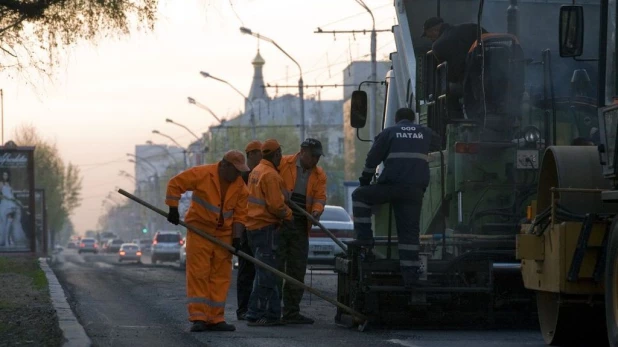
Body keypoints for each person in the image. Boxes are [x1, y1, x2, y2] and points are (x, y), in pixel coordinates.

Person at [349, 108, 441, 288]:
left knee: (359, 195)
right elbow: (440, 144)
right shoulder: (425, 132)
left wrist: (365, 181)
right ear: (414, 119)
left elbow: (372, 159)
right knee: (409, 234)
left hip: (391, 188)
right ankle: (411, 278)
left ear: (396, 119)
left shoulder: (389, 133)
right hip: (414, 192)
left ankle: (365, 239)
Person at [165, 150, 250, 332]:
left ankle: (216, 317)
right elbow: (175, 184)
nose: (238, 174)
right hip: (200, 231)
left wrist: (236, 238)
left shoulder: (241, 187)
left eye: (240, 171)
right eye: (236, 170)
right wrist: (173, 208)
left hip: (224, 235)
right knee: (199, 274)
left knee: (220, 277)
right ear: (224, 165)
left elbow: (240, 215)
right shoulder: (203, 174)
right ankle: (199, 317)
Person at [276, 138, 327, 324]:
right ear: (303, 152)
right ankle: (272, 311)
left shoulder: (319, 175)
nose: (316, 160)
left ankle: (291, 312)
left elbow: (320, 198)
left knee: (297, 269)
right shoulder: (283, 163)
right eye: (313, 156)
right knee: (276, 267)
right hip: (280, 221)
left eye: (318, 157)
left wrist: (316, 211)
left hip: (300, 223)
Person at [245, 139, 293, 327]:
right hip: (266, 228)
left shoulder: (256, 171)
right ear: (276, 154)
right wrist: (289, 215)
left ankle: (273, 314)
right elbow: (276, 206)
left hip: (255, 228)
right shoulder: (270, 174)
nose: (281, 157)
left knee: (268, 272)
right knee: (266, 274)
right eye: (280, 154)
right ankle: (254, 313)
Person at [422, 17, 487, 117]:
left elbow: (450, 74)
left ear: (434, 31)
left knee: (446, 90)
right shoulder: (471, 27)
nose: (431, 40)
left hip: (469, 84)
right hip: (490, 75)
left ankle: (457, 120)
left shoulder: (437, 46)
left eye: (430, 37)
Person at [236, 140, 262, 321]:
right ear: (251, 154)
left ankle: (259, 308)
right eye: (260, 153)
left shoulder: (263, 173)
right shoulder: (243, 176)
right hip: (246, 228)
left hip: (261, 228)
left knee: (263, 270)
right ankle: (243, 309)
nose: (263, 157)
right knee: (247, 270)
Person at [0, 170, 27, 248]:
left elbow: (11, 194)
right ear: (2, 176)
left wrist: (16, 200)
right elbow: (1, 195)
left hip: (11, 203)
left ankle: (8, 239)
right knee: (4, 222)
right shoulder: (1, 184)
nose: (5, 176)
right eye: (4, 175)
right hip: (5, 204)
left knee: (11, 221)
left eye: (6, 175)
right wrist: (7, 198)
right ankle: (5, 240)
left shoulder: (9, 184)